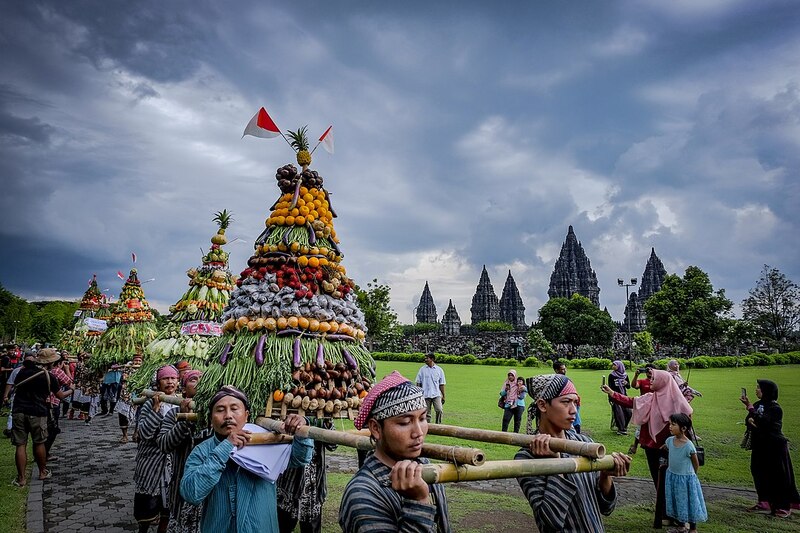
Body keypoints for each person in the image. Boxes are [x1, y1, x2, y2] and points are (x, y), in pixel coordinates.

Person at [180, 386, 313, 532]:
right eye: (220, 410)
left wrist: (301, 428)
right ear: (211, 419)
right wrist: (225, 448)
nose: (228, 415)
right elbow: (191, 494)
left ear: (246, 415)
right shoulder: (202, 450)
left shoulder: (267, 440)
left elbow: (301, 458)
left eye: (234, 408)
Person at [339, 371, 451, 532]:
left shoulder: (424, 466)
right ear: (376, 428)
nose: (418, 432)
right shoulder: (362, 494)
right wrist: (419, 501)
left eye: (423, 418)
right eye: (405, 422)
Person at [518, 373, 630, 532]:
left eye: (575, 403)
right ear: (543, 405)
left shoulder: (585, 444)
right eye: (565, 402)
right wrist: (555, 464)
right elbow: (551, 521)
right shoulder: (527, 457)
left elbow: (606, 508)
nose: (574, 411)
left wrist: (606, 475)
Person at [602, 369, 693, 527]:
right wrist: (612, 393)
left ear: (663, 381)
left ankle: (679, 515)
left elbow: (686, 425)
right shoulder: (650, 398)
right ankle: (665, 514)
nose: (650, 382)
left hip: (673, 449)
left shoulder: (677, 401)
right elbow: (630, 401)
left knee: (675, 482)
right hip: (652, 447)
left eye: (653, 379)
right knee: (659, 481)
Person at [10, 349, 71, 486]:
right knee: (39, 442)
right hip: (38, 412)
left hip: (19, 410)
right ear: (51, 362)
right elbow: (60, 396)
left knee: (20, 444)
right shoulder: (49, 376)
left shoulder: (22, 372)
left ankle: (21, 478)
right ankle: (43, 472)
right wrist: (72, 390)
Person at [740, 379, 800, 518]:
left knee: (778, 476)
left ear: (767, 391)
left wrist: (750, 409)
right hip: (760, 445)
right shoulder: (758, 404)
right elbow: (749, 420)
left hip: (775, 446)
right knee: (758, 472)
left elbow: (763, 421)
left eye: (759, 388)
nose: (756, 390)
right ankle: (764, 501)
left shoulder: (775, 408)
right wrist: (752, 417)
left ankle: (784, 505)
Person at [157, 369, 205, 533]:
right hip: (181, 484)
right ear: (183, 389)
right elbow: (163, 444)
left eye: (202, 378)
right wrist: (184, 420)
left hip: (207, 491)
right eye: (193, 379)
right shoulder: (174, 413)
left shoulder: (215, 413)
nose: (199, 381)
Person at [134, 365, 180, 533]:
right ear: (158, 383)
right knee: (147, 506)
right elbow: (144, 433)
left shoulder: (180, 403)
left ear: (177, 381)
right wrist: (155, 409)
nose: (169, 382)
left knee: (168, 506)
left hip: (171, 463)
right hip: (151, 463)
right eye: (165, 378)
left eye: (172, 378)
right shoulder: (148, 404)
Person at [277, 418, 336, 533]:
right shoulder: (291, 418)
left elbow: (332, 446)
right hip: (290, 485)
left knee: (311, 528)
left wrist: (327, 423)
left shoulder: (321, 419)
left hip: (314, 486)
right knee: (283, 525)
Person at [663, 413, 707, 533]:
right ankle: (681, 526)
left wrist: (692, 476)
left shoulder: (689, 446)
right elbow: (666, 448)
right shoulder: (670, 441)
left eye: (673, 424)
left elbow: (695, 463)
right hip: (673, 476)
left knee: (690, 502)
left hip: (686, 478)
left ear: (683, 428)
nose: (670, 427)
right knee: (678, 500)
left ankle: (693, 528)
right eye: (670, 424)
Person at [629, 363, 656, 454]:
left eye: (651, 370)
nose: (649, 372)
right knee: (640, 428)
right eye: (647, 370)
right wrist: (636, 375)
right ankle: (635, 447)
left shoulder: (657, 381)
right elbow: (634, 385)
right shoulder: (642, 381)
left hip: (655, 408)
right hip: (643, 408)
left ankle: (650, 446)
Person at [116, 353, 143, 443]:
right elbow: (123, 379)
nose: (137, 362)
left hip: (139, 396)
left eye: (139, 361)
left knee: (139, 416)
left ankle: (136, 433)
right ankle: (125, 435)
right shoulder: (127, 369)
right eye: (136, 360)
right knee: (123, 415)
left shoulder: (144, 369)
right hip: (126, 395)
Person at [415, 353, 446, 424]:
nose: (425, 360)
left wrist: (443, 395)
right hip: (425, 394)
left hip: (436, 394)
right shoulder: (422, 370)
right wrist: (418, 395)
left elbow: (442, 384)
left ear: (432, 359)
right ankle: (428, 427)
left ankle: (438, 425)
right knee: (427, 413)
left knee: (439, 410)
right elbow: (418, 383)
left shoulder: (439, 370)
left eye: (427, 358)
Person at [554, 361, 581, 433]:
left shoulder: (567, 380)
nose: (565, 371)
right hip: (566, 408)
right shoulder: (555, 382)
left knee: (576, 423)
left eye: (565, 369)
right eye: (562, 369)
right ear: (556, 370)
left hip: (574, 405)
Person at [608, 360, 632, 435]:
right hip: (615, 397)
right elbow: (610, 387)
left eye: (614, 365)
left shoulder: (625, 375)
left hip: (624, 396)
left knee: (628, 412)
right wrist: (611, 397)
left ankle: (624, 427)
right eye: (613, 365)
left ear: (619, 366)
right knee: (619, 413)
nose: (613, 366)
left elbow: (628, 386)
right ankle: (621, 429)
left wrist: (626, 383)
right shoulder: (611, 375)